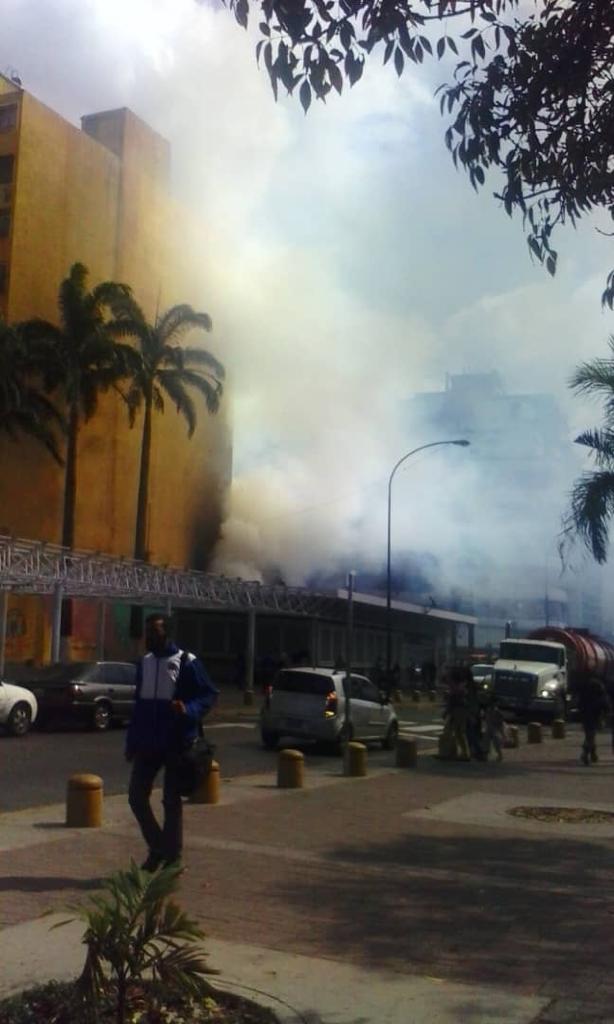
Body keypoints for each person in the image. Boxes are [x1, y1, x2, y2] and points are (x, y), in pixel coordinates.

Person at [126, 614, 219, 871]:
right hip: (147, 742)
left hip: (177, 742)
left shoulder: (187, 662)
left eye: (154, 633)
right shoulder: (144, 664)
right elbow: (139, 707)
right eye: (147, 632)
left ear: (167, 634)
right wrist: (131, 742)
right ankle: (159, 848)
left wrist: (188, 708)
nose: (149, 638)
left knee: (171, 802)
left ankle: (171, 859)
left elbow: (209, 694)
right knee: (136, 796)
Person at [577, 674, 609, 766]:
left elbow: (580, 703)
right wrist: (607, 712)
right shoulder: (599, 688)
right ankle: (587, 753)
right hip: (595, 715)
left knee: (590, 735)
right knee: (591, 735)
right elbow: (605, 702)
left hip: (586, 715)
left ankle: (592, 754)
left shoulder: (585, 688)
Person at [442, 665, 470, 761]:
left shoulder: (457, 689)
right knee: (457, 732)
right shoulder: (459, 688)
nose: (448, 680)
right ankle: (459, 752)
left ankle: (452, 752)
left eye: (449, 678)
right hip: (459, 711)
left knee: (454, 731)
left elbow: (452, 703)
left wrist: (446, 712)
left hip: (458, 711)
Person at [484, 693, 505, 762]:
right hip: (490, 727)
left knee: (495, 742)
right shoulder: (489, 710)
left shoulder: (496, 711)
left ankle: (499, 755)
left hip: (494, 728)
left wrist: (502, 732)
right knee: (487, 742)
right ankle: (487, 755)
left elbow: (500, 722)